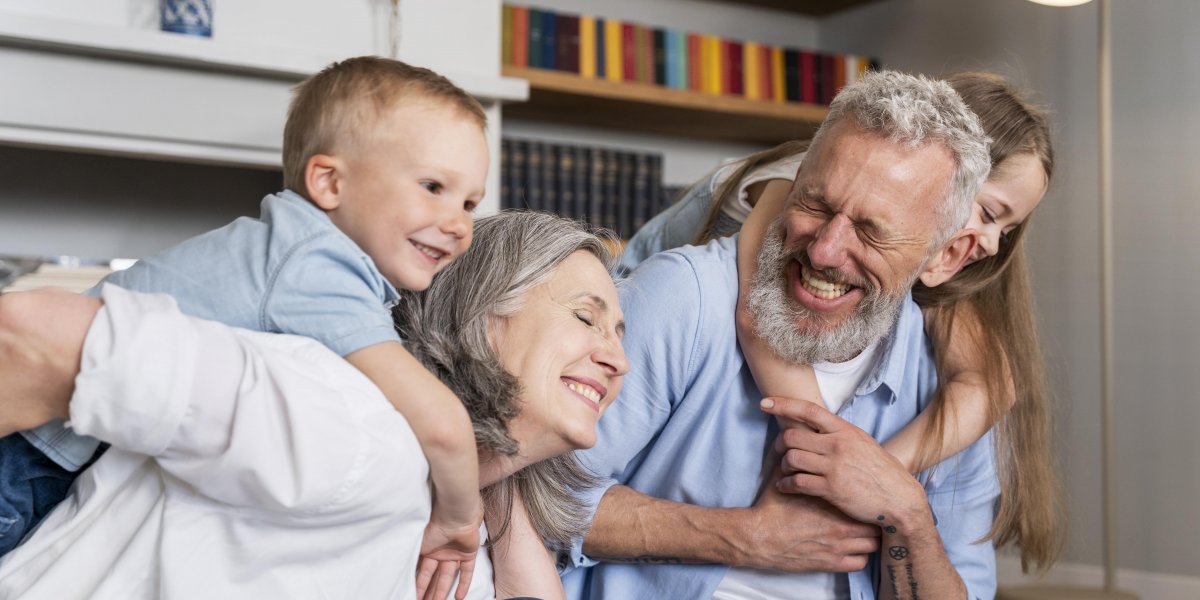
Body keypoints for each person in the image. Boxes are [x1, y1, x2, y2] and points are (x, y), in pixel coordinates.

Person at [0, 56, 491, 586]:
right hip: (29, 453)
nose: (458, 224)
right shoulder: (317, 267)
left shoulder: (291, 250)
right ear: (328, 183)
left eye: (470, 202)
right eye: (433, 188)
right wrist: (461, 520)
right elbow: (441, 424)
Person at [0, 211, 629, 600]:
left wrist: (498, 476)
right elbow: (34, 334)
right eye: (586, 319)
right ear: (479, 317)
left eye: (620, 336)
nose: (617, 359)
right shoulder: (336, 413)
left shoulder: (465, 549)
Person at [561, 70, 997, 599]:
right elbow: (530, 491)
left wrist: (906, 514)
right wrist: (743, 538)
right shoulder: (683, 296)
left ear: (945, 256)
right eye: (814, 204)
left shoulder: (947, 389)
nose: (823, 252)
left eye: (870, 231)